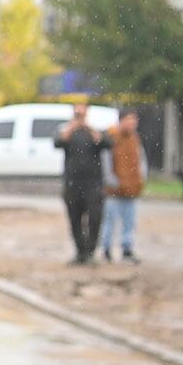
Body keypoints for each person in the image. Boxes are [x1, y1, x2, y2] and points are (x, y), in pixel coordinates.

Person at [53, 103, 111, 265]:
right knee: (74, 219)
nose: (80, 116)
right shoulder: (67, 130)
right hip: (72, 183)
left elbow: (107, 143)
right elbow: (58, 142)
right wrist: (73, 126)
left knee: (94, 218)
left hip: (93, 184)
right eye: (77, 112)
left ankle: (91, 251)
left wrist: (88, 127)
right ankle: (80, 252)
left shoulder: (95, 130)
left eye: (82, 112)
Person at [101, 108, 147, 263]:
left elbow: (140, 160)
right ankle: (106, 249)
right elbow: (106, 161)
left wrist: (141, 178)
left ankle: (127, 249)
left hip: (132, 188)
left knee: (129, 222)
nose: (132, 124)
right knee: (109, 221)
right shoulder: (111, 137)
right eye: (129, 120)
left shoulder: (135, 139)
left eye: (134, 121)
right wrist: (111, 180)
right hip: (114, 189)